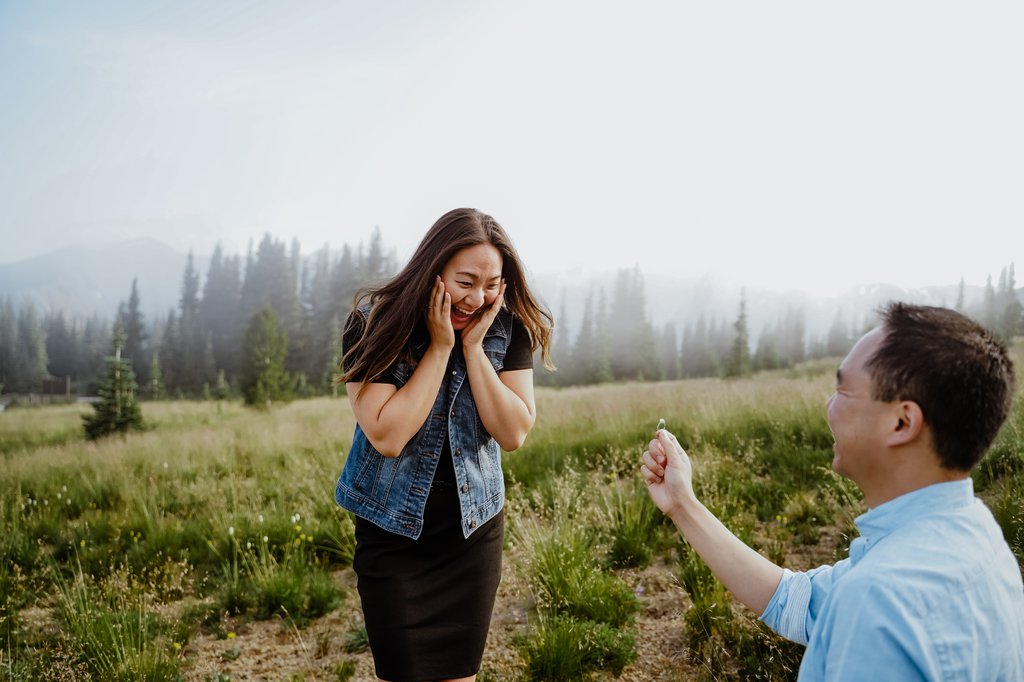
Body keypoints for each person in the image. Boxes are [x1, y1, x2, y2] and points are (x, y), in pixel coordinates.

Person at [641, 302, 1024, 680]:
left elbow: (863, 602)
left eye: (843, 391)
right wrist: (682, 505)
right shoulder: (977, 534)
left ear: (902, 422)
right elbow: (794, 601)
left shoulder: (879, 603)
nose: (829, 406)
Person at [334, 207, 553, 682]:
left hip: (471, 536)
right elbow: (387, 435)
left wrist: (472, 349)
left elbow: (513, 432)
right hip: (393, 537)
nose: (478, 298)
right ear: (434, 270)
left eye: (492, 284)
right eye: (466, 281)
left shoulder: (506, 329)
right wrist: (439, 348)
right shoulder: (372, 324)